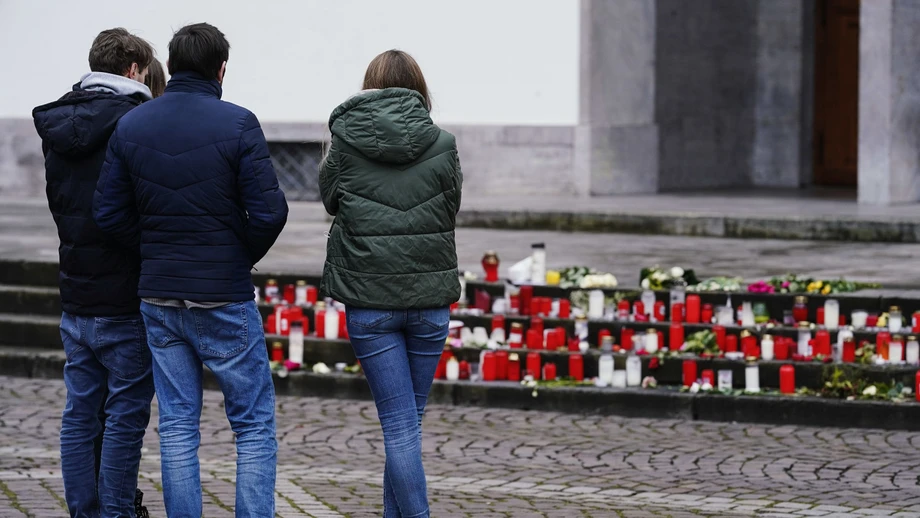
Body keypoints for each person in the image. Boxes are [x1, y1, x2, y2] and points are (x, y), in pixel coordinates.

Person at [94, 22, 288, 517]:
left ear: (173, 66)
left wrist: (156, 251)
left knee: (178, 425)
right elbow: (269, 213)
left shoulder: (132, 125)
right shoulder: (240, 122)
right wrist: (234, 256)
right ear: (222, 69)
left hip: (159, 296)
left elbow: (108, 214)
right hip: (222, 294)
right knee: (253, 425)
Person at [319, 49, 463, 518]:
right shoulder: (443, 143)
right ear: (419, 88)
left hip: (370, 300)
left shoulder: (345, 139)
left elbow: (329, 199)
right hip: (429, 300)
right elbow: (450, 206)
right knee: (407, 427)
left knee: (401, 429)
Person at [32, 27, 155, 517]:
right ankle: (117, 512)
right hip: (123, 296)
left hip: (76, 291)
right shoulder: (136, 122)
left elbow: (60, 203)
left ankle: (85, 511)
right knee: (124, 417)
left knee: (79, 415)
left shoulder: (59, 121)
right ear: (132, 70)